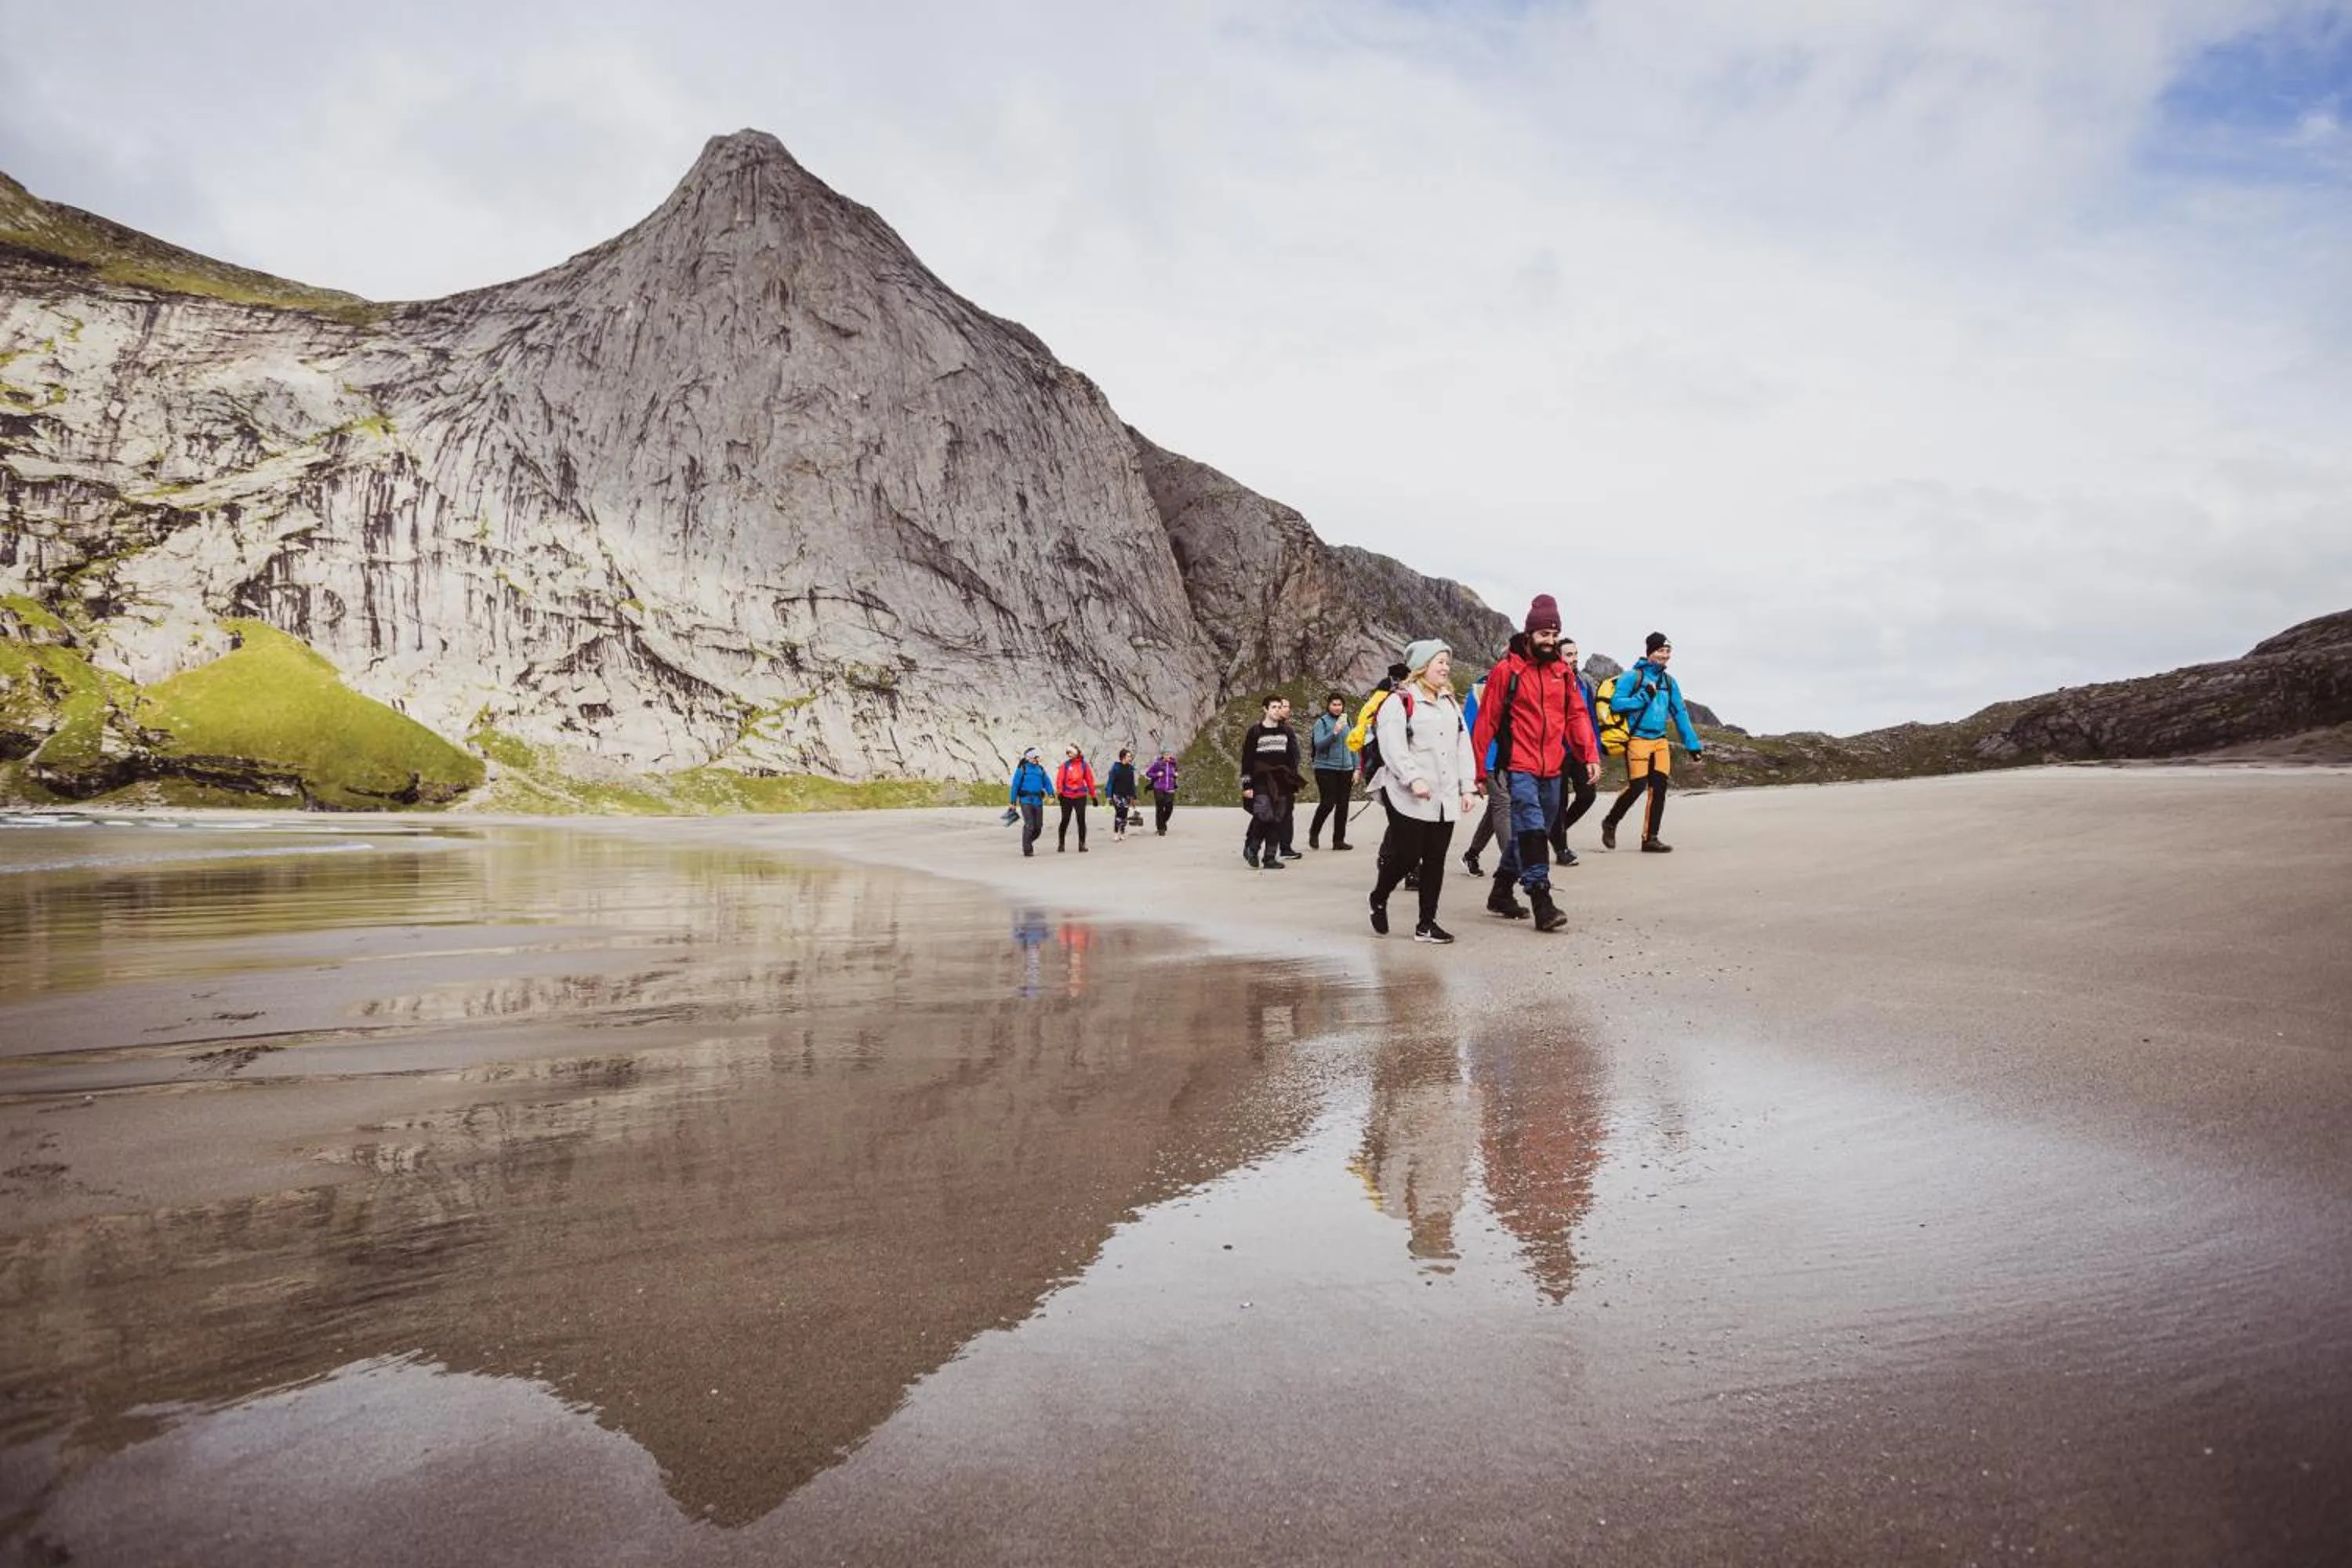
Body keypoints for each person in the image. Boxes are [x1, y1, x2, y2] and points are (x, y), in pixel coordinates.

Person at [1471, 595, 1601, 934]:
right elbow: (1486, 722)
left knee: (1535, 831)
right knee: (1529, 825)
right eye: (1544, 634)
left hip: (1553, 767)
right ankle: (1541, 899)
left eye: (1555, 635)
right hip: (1517, 764)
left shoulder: (1563, 673)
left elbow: (1577, 716)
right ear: (1529, 634)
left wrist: (1589, 755)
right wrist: (1478, 770)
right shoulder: (1507, 672)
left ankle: (1500, 891)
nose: (1551, 641)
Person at [1367, 639, 1479, 943]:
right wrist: (1412, 778)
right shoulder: (1400, 701)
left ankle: (1426, 924)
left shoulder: (1450, 703)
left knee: (1435, 858)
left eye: (1447, 662)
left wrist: (1467, 787)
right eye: (1439, 661)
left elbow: (1462, 747)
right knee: (1407, 855)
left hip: (1443, 795)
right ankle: (1379, 896)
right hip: (1407, 794)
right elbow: (1393, 746)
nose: (1446, 667)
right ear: (1422, 667)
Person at [1600, 632, 1704, 853]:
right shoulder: (1632, 677)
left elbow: (1680, 714)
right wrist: (1644, 696)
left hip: (1660, 741)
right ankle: (1610, 821)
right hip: (1638, 739)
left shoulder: (1669, 682)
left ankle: (1650, 839)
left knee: (1659, 788)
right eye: (1660, 651)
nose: (1665, 656)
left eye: (1668, 651)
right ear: (1650, 653)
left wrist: (1693, 745)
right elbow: (1617, 705)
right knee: (1637, 786)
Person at [1549, 636, 1605, 866]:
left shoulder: (1582, 682)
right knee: (1559, 801)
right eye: (1569, 654)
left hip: (1580, 750)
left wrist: (1595, 748)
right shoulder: (1553, 680)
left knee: (1587, 795)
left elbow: (1588, 716)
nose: (1574, 659)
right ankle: (1561, 848)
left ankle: (1556, 832)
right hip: (1557, 749)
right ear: (1558, 657)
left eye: (1575, 654)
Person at [1238, 694, 1301, 870]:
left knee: (1278, 817)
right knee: (1263, 814)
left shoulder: (1287, 731)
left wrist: (1292, 778)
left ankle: (1270, 857)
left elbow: (1292, 758)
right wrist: (1247, 784)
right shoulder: (1255, 732)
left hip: (1282, 780)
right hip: (1261, 779)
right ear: (1265, 709)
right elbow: (1247, 760)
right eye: (1273, 707)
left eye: (1279, 707)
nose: (1277, 710)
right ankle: (1253, 847)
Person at [1307, 691, 1356, 851]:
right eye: (1334, 704)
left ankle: (1339, 840)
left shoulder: (1347, 720)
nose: (1337, 708)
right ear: (1328, 706)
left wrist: (1357, 768)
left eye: (1339, 705)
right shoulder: (1321, 723)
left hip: (1346, 768)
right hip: (1325, 768)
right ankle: (1314, 832)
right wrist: (1334, 732)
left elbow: (1353, 745)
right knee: (1328, 802)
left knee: (1343, 805)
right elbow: (1319, 745)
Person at [1008, 747, 1051, 858]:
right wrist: (1012, 802)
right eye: (1036, 757)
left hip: (1038, 801)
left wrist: (1051, 793)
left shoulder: (1040, 769)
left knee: (1038, 827)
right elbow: (1015, 786)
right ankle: (1027, 849)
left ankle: (1027, 841)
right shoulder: (1022, 769)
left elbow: (1047, 782)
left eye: (1038, 757)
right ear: (1030, 757)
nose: (1038, 759)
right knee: (1030, 825)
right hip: (1025, 800)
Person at [1054, 743, 1098, 852]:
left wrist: (1094, 796)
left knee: (1081, 819)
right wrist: (1060, 792)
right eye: (1067, 753)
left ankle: (1082, 844)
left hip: (1080, 796)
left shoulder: (1084, 765)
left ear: (1076, 753)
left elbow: (1089, 781)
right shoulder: (1065, 765)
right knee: (1065, 819)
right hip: (1066, 797)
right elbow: (1060, 779)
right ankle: (1061, 843)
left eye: (1071, 753)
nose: (1069, 755)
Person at [1105, 748, 1139, 841]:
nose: (1130, 758)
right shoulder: (1115, 769)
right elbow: (1110, 783)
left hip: (1127, 795)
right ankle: (1116, 832)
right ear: (1123, 757)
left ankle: (1122, 832)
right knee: (1119, 812)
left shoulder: (1130, 769)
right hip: (1117, 795)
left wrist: (1134, 796)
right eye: (1129, 756)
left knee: (1124, 814)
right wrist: (1109, 796)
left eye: (1130, 756)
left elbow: (1132, 784)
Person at [1145, 747, 1181, 835]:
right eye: (1166, 754)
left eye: (1169, 754)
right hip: (1159, 788)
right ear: (1163, 755)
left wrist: (1176, 775)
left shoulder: (1174, 764)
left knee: (1169, 808)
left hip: (1170, 788)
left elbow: (1175, 773)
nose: (1167, 756)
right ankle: (1161, 828)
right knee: (1160, 806)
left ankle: (1162, 822)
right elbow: (1148, 773)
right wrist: (1157, 774)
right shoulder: (1158, 764)